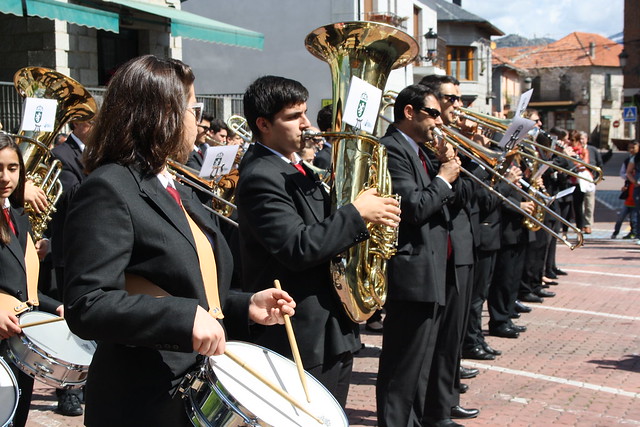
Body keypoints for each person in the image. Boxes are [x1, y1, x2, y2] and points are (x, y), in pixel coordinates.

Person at [62, 55, 296, 426]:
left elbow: (189, 289)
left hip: (190, 389)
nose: (199, 121)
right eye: (193, 108)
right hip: (142, 400)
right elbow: (86, 303)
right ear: (162, 115)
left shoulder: (174, 186)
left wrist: (243, 305)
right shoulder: (108, 187)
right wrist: (183, 317)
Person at [237, 75, 400, 407]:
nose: (306, 124)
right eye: (294, 116)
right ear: (263, 124)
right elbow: (298, 247)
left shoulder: (298, 169)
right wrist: (357, 213)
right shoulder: (261, 176)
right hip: (301, 332)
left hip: (330, 326)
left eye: (305, 113)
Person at [375, 83, 463, 427]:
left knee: (420, 364)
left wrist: (448, 166)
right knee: (402, 366)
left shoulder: (420, 149)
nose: (438, 122)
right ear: (409, 112)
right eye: (433, 114)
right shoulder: (392, 149)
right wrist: (443, 178)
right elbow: (412, 207)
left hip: (431, 268)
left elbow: (449, 201)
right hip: (411, 270)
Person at [0, 134, 62, 427]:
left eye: (13, 168)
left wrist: (58, 308)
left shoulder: (16, 213)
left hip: (17, 346)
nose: (5, 177)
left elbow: (24, 290)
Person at [50, 113, 99, 417]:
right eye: (95, 121)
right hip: (70, 248)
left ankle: (88, 381)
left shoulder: (91, 153)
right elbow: (68, 196)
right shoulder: (62, 154)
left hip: (92, 244)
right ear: (80, 124)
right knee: (70, 321)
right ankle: (67, 388)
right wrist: (105, 175)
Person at [612, 141, 639, 239]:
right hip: (630, 193)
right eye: (630, 147)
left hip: (635, 192)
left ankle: (634, 233)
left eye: (633, 147)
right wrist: (632, 180)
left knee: (634, 217)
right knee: (622, 216)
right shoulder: (629, 160)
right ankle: (616, 232)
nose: (631, 150)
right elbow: (624, 173)